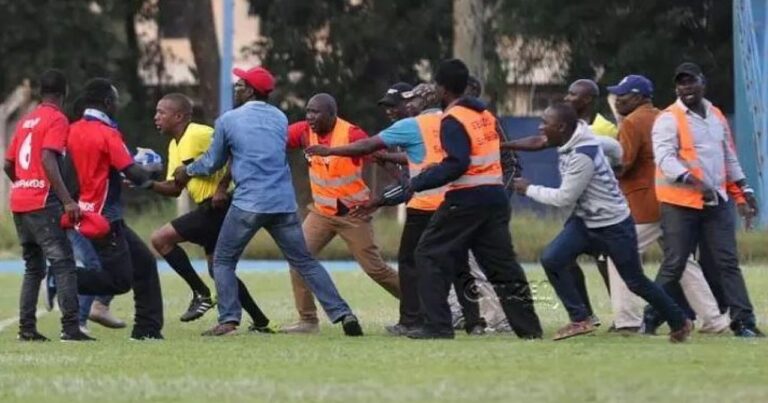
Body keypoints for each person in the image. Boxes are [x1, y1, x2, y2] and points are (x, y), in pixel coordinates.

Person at [174, 66, 362, 337]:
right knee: (305, 262)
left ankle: (228, 320)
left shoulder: (229, 120)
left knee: (223, 261)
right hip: (283, 202)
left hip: (249, 202)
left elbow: (212, 161)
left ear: (251, 91)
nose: (236, 89)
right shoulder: (279, 117)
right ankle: (344, 313)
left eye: (240, 85)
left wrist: (187, 170)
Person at [374, 59, 543, 339]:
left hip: (467, 197)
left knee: (427, 253)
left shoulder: (452, 119)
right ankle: (530, 329)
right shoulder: (484, 115)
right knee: (503, 265)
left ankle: (437, 326)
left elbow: (457, 164)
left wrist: (419, 181)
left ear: (441, 88)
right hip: (495, 197)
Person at [306, 83, 487, 336]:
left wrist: (332, 152)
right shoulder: (452, 120)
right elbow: (429, 160)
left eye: (405, 102)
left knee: (411, 262)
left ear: (418, 103)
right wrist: (390, 161)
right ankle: (474, 321)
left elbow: (368, 147)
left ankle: (414, 319)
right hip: (456, 200)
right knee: (458, 262)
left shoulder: (411, 126)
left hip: (423, 205)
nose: (397, 109)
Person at [512, 102, 692, 342]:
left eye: (546, 123)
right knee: (552, 258)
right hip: (586, 222)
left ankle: (680, 322)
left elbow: (564, 197)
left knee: (635, 281)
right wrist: (502, 145)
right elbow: (615, 147)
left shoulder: (581, 155)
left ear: (562, 127)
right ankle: (580, 319)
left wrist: (528, 189)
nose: (540, 127)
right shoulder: (577, 138)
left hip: (613, 225)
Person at [605, 74, 730, 333]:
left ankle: (627, 320)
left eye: (623, 95)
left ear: (639, 97)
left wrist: (604, 154)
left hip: (644, 205)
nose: (617, 100)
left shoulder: (632, 123)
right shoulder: (664, 115)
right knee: (682, 262)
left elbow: (623, 165)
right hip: (673, 201)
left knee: (618, 255)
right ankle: (714, 321)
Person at [646, 62, 763, 338]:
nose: (685, 87)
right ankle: (650, 318)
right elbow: (665, 159)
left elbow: (729, 157)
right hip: (680, 204)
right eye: (680, 83)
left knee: (727, 262)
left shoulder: (716, 116)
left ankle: (744, 322)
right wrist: (694, 182)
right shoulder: (668, 118)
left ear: (702, 83)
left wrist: (745, 191)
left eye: (691, 81)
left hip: (716, 202)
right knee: (675, 263)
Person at [148, 93, 274, 332]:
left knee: (160, 239)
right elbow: (176, 188)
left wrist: (222, 186)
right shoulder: (174, 144)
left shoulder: (198, 133)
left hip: (220, 205)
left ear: (179, 116)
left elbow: (235, 150)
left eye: (161, 112)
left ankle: (201, 294)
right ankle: (260, 321)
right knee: (218, 270)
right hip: (207, 207)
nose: (156, 117)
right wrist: (146, 183)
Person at [279, 93, 400, 333]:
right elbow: (274, 141)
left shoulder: (352, 134)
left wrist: (390, 196)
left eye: (316, 112)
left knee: (375, 269)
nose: (310, 117)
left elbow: (382, 160)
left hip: (353, 214)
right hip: (321, 213)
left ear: (333, 115)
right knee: (298, 259)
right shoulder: (304, 131)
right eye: (308, 112)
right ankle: (307, 320)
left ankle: (422, 306)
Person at [67, 78, 164, 340]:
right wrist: (153, 174)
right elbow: (132, 172)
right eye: (116, 101)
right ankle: (62, 278)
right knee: (119, 280)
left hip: (85, 212)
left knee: (144, 263)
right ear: (108, 103)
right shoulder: (108, 133)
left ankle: (147, 330)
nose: (118, 105)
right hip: (104, 217)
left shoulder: (73, 129)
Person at [3, 69, 92, 342]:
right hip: (42, 203)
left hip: (20, 201)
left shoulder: (27, 121)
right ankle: (70, 327)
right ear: (63, 93)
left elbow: (8, 164)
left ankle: (26, 329)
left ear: (42, 92)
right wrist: (67, 200)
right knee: (64, 263)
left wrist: (24, 184)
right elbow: (47, 158)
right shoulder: (57, 119)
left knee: (33, 267)